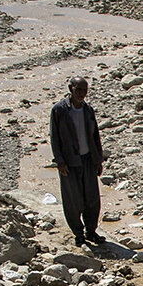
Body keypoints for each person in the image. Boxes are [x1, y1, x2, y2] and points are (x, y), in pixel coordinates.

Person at [49, 76, 105, 247]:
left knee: (92, 198)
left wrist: (98, 159)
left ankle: (91, 230)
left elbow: (95, 135)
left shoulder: (88, 110)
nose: (81, 94)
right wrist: (60, 161)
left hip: (88, 159)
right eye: (78, 90)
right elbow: (55, 138)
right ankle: (78, 233)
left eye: (84, 91)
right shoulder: (59, 110)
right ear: (70, 89)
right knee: (72, 199)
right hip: (69, 160)